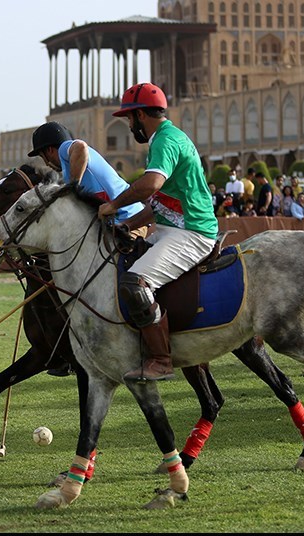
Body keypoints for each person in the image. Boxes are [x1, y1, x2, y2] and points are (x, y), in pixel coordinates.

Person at [98, 83, 218, 382]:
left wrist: (113, 205)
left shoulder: (165, 140)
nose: (128, 125)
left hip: (192, 232)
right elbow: (157, 203)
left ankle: (161, 359)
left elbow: (150, 184)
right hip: (171, 228)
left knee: (135, 282)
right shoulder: (165, 138)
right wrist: (127, 224)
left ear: (140, 115)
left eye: (129, 118)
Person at [27, 121, 145, 228]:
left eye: (43, 157)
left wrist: (73, 187)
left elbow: (80, 146)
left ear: (50, 151)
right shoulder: (69, 168)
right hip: (121, 222)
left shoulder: (64, 149)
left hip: (131, 220)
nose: (46, 164)